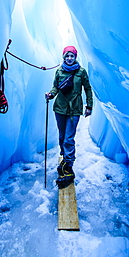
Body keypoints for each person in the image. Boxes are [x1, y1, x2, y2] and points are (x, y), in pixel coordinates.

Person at [45, 46, 93, 188]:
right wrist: (51, 94)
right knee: (62, 136)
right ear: (64, 57)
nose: (69, 58)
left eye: (72, 56)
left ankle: (68, 167)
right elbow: (55, 87)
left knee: (68, 138)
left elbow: (88, 88)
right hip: (59, 108)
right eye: (67, 56)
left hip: (74, 109)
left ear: (75, 57)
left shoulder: (81, 72)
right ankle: (65, 159)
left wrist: (89, 106)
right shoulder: (59, 71)